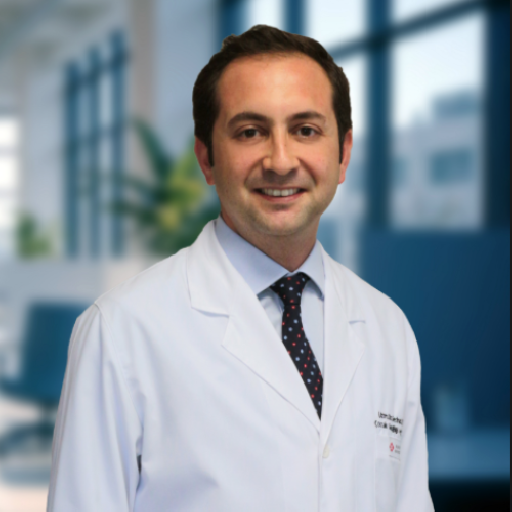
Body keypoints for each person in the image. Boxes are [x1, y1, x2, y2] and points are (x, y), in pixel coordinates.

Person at [47, 25, 434, 512]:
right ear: (206, 159)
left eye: (305, 130)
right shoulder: (122, 331)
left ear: (343, 153)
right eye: (251, 132)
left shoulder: (387, 328)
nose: (280, 161)